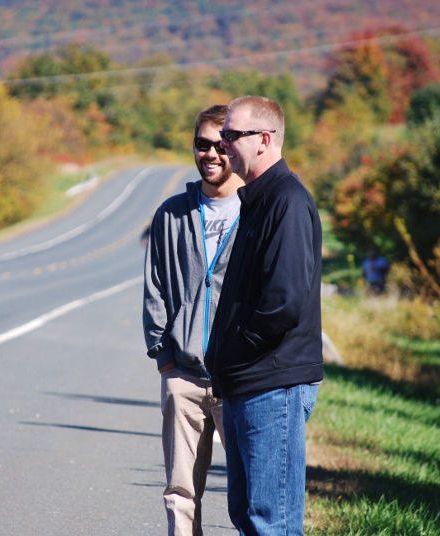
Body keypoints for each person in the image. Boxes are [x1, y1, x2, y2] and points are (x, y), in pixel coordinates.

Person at [206, 96, 324, 535]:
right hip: (246, 384)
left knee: (270, 523)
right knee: (249, 519)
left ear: (264, 140)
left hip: (271, 385)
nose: (223, 145)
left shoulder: (286, 201)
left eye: (232, 135)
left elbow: (282, 304)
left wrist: (234, 353)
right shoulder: (257, 200)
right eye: (221, 136)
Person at [144, 104, 245, 536]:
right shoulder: (171, 214)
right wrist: (165, 359)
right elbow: (155, 289)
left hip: (240, 378)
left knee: (247, 491)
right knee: (180, 491)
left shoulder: (258, 209)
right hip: (183, 374)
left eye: (220, 146)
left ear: (235, 149)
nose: (210, 154)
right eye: (202, 144)